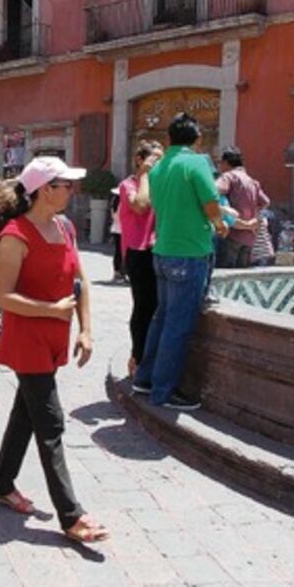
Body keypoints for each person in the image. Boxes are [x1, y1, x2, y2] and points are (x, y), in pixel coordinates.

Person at [0, 156, 107, 545]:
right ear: (44, 190)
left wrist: (86, 329)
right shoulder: (14, 235)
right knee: (50, 423)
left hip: (54, 336)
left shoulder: (65, 227)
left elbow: (80, 281)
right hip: (27, 339)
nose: (72, 190)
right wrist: (50, 310)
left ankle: (1, 485)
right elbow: (3, 297)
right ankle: (71, 515)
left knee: (27, 415)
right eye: (66, 184)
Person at [132, 114, 228, 411]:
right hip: (189, 252)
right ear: (197, 139)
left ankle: (145, 378)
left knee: (162, 318)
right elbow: (211, 203)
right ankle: (164, 391)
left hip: (162, 251)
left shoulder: (160, 167)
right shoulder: (197, 163)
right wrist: (219, 224)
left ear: (170, 139)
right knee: (178, 324)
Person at [118, 141, 163, 379]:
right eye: (154, 159)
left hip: (159, 250)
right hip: (138, 252)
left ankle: (149, 359)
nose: (158, 164)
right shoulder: (129, 185)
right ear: (139, 159)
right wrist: (145, 174)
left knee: (157, 308)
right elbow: (141, 206)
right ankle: (137, 358)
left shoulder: (159, 184)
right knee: (144, 308)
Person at [216, 150, 271, 268]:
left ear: (226, 163)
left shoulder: (228, 176)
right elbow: (266, 202)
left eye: (221, 163)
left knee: (226, 277)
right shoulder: (252, 181)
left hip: (231, 234)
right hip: (249, 237)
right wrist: (253, 220)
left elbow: (214, 190)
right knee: (241, 277)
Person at [108, 187, 125, 283]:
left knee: (117, 252)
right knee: (121, 252)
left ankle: (117, 272)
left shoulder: (114, 204)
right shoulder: (121, 204)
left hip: (115, 229)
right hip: (122, 230)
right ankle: (120, 272)